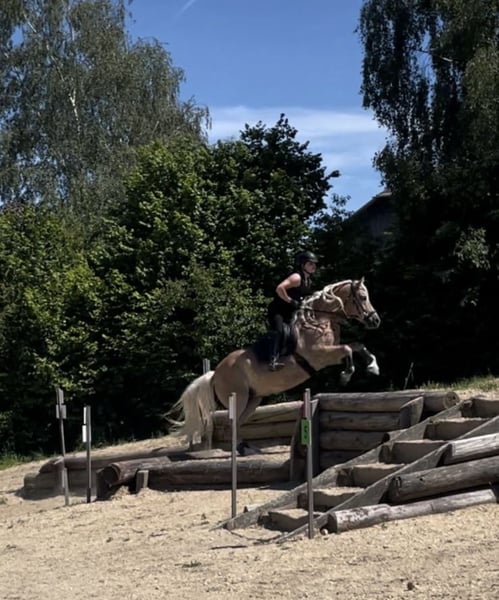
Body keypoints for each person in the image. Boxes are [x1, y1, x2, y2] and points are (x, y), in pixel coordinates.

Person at [266, 250, 319, 371]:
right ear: (302, 265)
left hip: (290, 313)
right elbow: (280, 288)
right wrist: (290, 301)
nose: (314, 266)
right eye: (310, 263)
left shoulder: (308, 281)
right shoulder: (296, 277)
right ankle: (272, 360)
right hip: (278, 311)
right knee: (279, 331)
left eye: (314, 264)